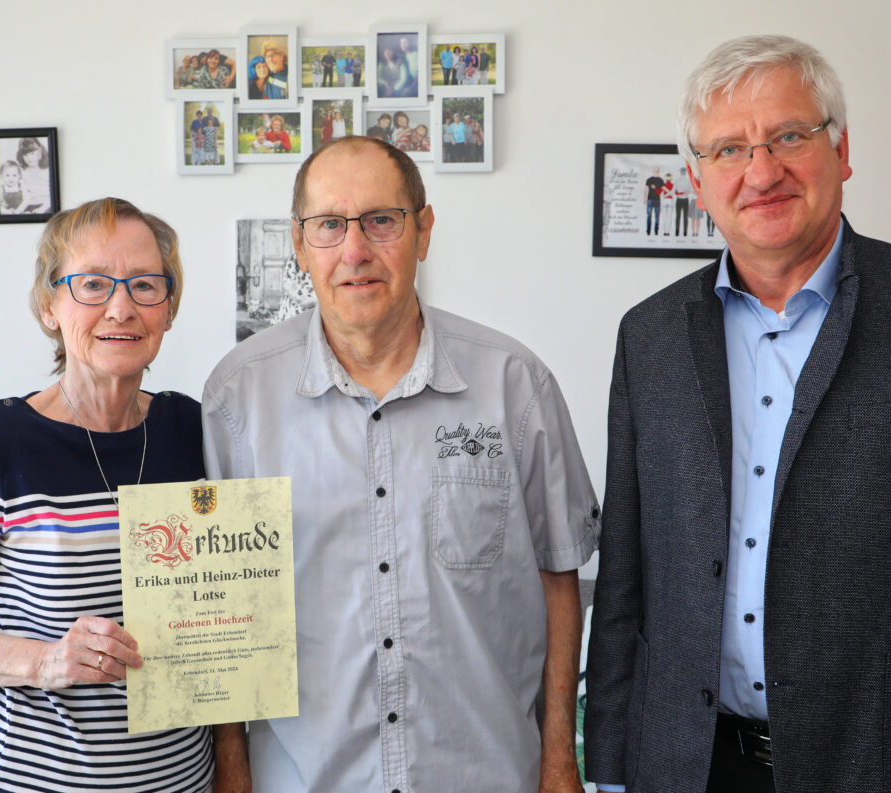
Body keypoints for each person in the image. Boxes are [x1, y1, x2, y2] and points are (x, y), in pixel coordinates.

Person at [584, 34, 891, 793]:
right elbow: (628, 577)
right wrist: (609, 768)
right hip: (688, 765)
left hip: (887, 762)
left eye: (789, 136)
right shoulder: (650, 337)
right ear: (698, 182)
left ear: (842, 150)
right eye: (729, 149)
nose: (762, 171)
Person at [203, 136, 600, 793]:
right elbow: (220, 607)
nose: (355, 250)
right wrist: (233, 772)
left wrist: (560, 762)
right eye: (329, 224)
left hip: (484, 774)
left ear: (424, 231)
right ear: (299, 244)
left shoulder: (515, 385)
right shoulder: (236, 400)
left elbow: (560, 579)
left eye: (381, 221)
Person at [0, 197, 221, 792]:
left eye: (145, 285)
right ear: (49, 306)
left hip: (180, 781)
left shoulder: (193, 432)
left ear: (167, 309)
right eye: (92, 284)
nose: (121, 307)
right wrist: (43, 660)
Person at [17, 137, 51, 212]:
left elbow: (53, 196)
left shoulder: (47, 171)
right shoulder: (23, 172)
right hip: (30, 205)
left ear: (40, 152)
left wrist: (42, 209)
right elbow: (25, 196)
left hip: (47, 205)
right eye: (25, 155)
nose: (29, 158)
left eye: (32, 153)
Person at [643, 166, 663, 236]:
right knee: (649, 215)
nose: (656, 172)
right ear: (653, 171)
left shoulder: (661, 180)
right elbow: (646, 189)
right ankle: (648, 231)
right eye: (655, 170)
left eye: (657, 170)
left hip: (657, 200)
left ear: (658, 171)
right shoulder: (649, 179)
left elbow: (662, 190)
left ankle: (656, 231)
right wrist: (644, 198)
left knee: (657, 216)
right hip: (650, 200)